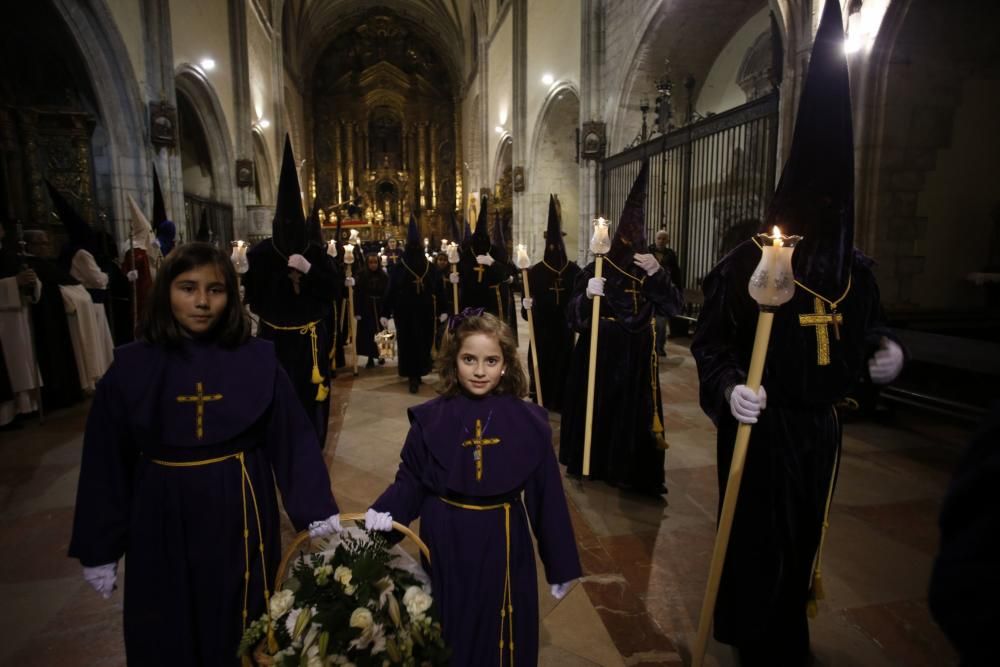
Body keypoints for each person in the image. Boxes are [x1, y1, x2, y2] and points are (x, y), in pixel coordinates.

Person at [690, 3, 905, 663]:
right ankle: (756, 640)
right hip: (763, 427)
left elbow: (867, 329)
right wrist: (729, 390)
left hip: (819, 433)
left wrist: (883, 351)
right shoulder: (747, 266)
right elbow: (712, 342)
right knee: (757, 540)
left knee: (804, 534)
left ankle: (787, 629)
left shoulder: (855, 275)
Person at [68, 242, 342, 667]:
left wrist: (315, 512)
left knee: (241, 621)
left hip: (240, 510)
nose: (201, 301)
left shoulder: (258, 360)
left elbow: (293, 442)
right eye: (187, 287)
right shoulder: (131, 367)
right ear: (165, 292)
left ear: (231, 296)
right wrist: (100, 547)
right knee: (164, 617)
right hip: (160, 513)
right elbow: (106, 461)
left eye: (215, 289)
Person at [366, 310, 582, 666]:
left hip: (504, 539)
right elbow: (410, 482)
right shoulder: (430, 420)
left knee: (502, 625)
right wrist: (380, 520)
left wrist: (561, 563)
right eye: (469, 359)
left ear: (506, 365)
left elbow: (548, 498)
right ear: (453, 361)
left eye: (491, 360)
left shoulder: (529, 423)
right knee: (452, 623)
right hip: (446, 534)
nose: (480, 371)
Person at [559, 163, 684, 495]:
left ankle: (630, 472)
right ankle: (593, 463)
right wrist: (587, 296)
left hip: (638, 355)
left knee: (632, 417)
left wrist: (659, 275)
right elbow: (573, 317)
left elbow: (675, 308)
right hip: (600, 351)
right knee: (598, 410)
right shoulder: (594, 269)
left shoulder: (649, 270)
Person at [244, 136, 340, 444]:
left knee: (311, 398)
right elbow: (253, 298)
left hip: (310, 340)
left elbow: (334, 291)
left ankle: (312, 441)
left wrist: (310, 271)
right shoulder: (260, 255)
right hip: (273, 339)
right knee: (276, 396)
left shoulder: (314, 253)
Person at [929, 403, 1000, 666]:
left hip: (815, 421)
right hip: (802, 422)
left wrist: (902, 358)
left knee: (806, 530)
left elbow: (827, 366)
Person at [520, 194, 581, 412]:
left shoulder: (574, 272)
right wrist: (527, 306)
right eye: (551, 243)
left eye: (558, 243)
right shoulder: (534, 272)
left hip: (564, 331)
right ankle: (541, 398)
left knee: (564, 363)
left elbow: (581, 307)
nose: (555, 248)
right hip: (542, 332)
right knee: (542, 363)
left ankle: (561, 399)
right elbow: (526, 314)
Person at [21, 229, 83, 408]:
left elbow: (67, 280)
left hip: (54, 316)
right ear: (30, 245)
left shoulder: (46, 264)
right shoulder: (29, 264)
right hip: (42, 319)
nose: (46, 247)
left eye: (47, 242)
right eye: (41, 243)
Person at [382, 215, 440, 393]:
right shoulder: (400, 267)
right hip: (405, 312)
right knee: (407, 342)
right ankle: (412, 375)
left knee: (423, 341)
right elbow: (390, 290)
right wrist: (385, 312)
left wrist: (443, 308)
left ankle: (420, 370)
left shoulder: (429, 267)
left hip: (424, 312)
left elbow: (439, 288)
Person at [0, 222, 41, 426]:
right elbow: (12, 282)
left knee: (22, 362)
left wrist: (33, 282)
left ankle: (27, 406)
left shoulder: (12, 255)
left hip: (19, 315)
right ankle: (7, 415)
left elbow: (31, 283)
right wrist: (14, 283)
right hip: (3, 319)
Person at [459, 197, 510, 319]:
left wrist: (492, 263)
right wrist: (453, 277)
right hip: (469, 301)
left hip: (490, 302)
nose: (481, 242)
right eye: (478, 239)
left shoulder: (496, 252)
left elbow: (506, 274)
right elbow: (460, 274)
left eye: (484, 239)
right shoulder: (467, 253)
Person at [648, 229, 683, 354]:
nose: (661, 241)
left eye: (664, 238)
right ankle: (649, 346)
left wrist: (678, 290)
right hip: (649, 292)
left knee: (661, 324)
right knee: (649, 323)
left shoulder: (671, 254)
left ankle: (660, 347)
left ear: (668, 240)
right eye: (659, 238)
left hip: (664, 293)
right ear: (655, 239)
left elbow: (676, 273)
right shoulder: (648, 252)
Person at [356, 252, 388, 368]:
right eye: (371, 262)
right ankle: (370, 357)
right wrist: (358, 311)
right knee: (368, 334)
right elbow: (358, 294)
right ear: (367, 263)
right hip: (367, 307)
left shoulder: (383, 276)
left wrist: (387, 310)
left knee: (382, 333)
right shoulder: (362, 275)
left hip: (380, 308)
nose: (373, 265)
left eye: (375, 262)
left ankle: (382, 355)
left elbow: (387, 293)